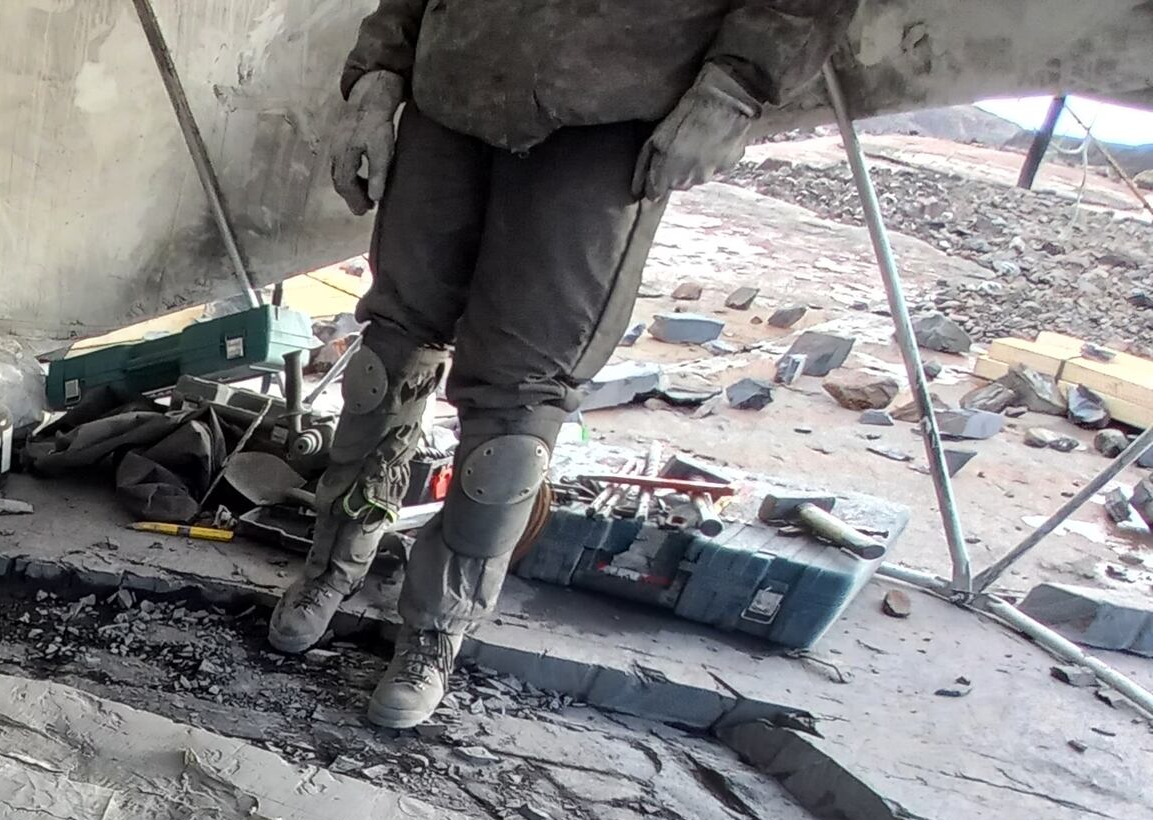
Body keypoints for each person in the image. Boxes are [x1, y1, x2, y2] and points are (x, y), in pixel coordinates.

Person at [268, 0, 857, 728]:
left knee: (517, 412)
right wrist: (378, 75)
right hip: (455, 83)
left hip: (611, 106)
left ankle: (434, 630)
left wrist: (736, 87)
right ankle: (332, 565)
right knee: (385, 361)